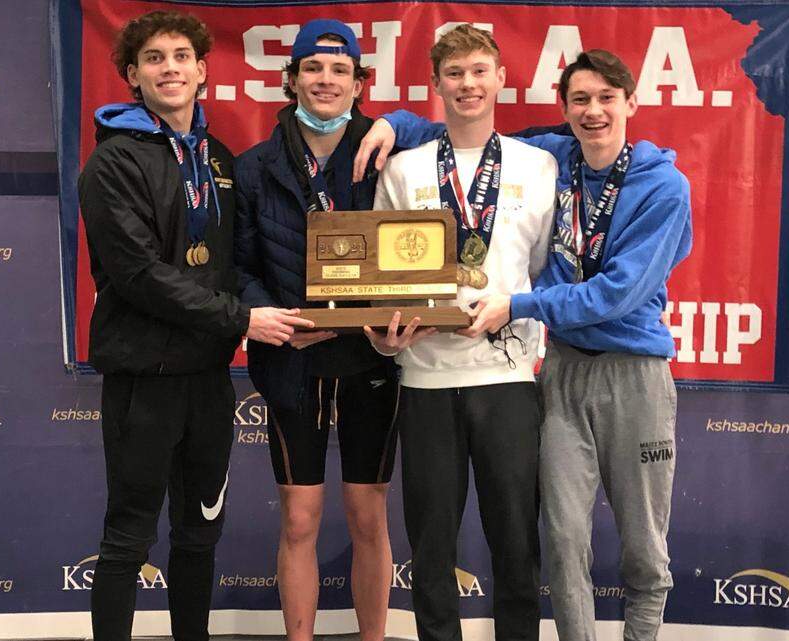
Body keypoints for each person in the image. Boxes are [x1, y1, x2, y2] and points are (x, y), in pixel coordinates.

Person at [357, 50, 692, 641]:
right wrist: (393, 123)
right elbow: (462, 126)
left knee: (637, 546)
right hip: (553, 371)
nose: (593, 112)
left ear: (632, 103)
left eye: (607, 98)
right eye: (580, 101)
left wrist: (515, 305)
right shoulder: (554, 155)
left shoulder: (657, 184)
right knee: (561, 542)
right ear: (564, 112)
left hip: (619, 371)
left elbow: (615, 291)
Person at [77, 10, 308, 641]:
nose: (170, 68)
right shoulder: (114, 163)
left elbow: (235, 263)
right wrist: (242, 319)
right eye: (154, 58)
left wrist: (299, 314)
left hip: (207, 379)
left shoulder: (219, 158)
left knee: (200, 532)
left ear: (203, 70)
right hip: (143, 378)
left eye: (182, 56)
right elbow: (139, 275)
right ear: (132, 75)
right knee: (128, 537)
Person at [365, 24, 556, 641]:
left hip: (508, 381)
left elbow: (553, 274)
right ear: (436, 85)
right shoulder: (404, 169)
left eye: (479, 71)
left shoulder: (541, 165)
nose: (468, 84)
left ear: (501, 78)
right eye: (455, 73)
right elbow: (378, 284)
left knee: (516, 543)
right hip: (425, 382)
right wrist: (381, 338)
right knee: (430, 546)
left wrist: (516, 308)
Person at [233, 19, 398, 641]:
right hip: (291, 361)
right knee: (300, 520)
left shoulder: (389, 155)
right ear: (291, 79)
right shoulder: (254, 168)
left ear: (359, 83)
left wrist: (391, 327)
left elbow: (414, 257)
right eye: (312, 68)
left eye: (339, 70)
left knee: (367, 515)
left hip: (371, 360)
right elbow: (240, 269)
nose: (325, 80)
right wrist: (271, 322)